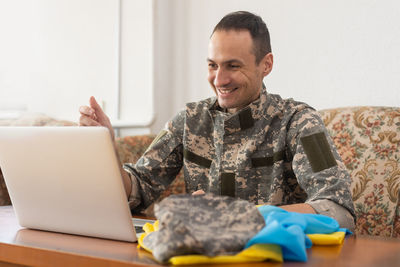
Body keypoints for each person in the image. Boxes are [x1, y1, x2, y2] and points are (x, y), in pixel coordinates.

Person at [79, 11, 355, 230]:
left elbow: (337, 209)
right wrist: (106, 151)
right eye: (213, 65)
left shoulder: (298, 121)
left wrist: (239, 215)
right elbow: (139, 186)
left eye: (233, 66)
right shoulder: (190, 120)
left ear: (266, 64)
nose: (219, 80)